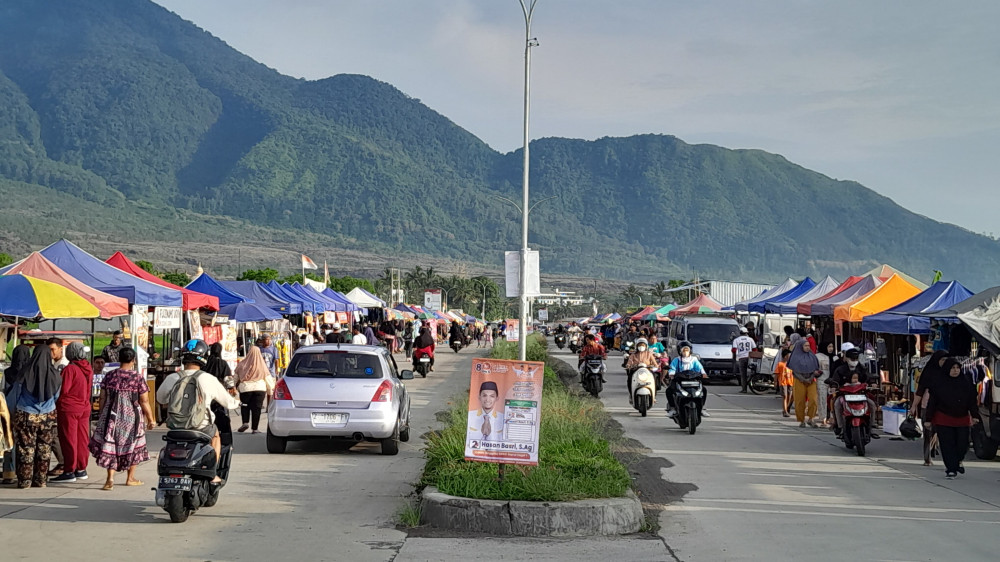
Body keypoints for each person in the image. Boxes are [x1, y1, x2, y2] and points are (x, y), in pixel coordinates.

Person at [155, 340, 239, 483]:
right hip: (201, 427)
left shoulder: (173, 377)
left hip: (176, 427)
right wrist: (236, 397)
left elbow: (160, 398)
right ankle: (213, 473)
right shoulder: (208, 379)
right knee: (216, 435)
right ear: (203, 357)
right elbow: (229, 403)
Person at [88, 347, 154, 490]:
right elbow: (144, 401)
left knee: (111, 445)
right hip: (131, 416)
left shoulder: (110, 375)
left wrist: (102, 415)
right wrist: (151, 418)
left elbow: (102, 397)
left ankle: (109, 479)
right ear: (133, 360)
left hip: (111, 415)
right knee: (134, 444)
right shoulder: (137, 377)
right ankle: (130, 478)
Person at [8, 345, 61, 488]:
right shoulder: (55, 375)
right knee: (44, 448)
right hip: (48, 416)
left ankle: (25, 481)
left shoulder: (24, 373)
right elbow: (56, 396)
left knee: (25, 448)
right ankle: (41, 480)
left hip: (25, 414)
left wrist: (12, 413)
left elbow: (16, 395)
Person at [924, 358, 979, 479]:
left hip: (962, 418)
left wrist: (975, 416)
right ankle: (951, 468)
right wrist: (928, 419)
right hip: (944, 418)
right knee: (947, 444)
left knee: (962, 444)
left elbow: (971, 402)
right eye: (952, 368)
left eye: (957, 368)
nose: (955, 371)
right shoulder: (939, 384)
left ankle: (958, 461)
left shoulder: (966, 382)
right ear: (947, 369)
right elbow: (932, 403)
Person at [51, 343, 93, 482]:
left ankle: (69, 470)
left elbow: (63, 390)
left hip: (69, 407)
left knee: (69, 439)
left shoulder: (70, 369)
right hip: (84, 406)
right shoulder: (88, 368)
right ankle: (81, 468)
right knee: (82, 440)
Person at [910, 349, 951, 465]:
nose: (944, 362)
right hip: (927, 406)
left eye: (946, 360)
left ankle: (950, 459)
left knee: (943, 432)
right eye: (942, 360)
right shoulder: (928, 372)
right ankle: (927, 458)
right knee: (927, 433)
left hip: (944, 407)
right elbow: (920, 391)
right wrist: (913, 406)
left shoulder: (949, 372)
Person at [828, 347, 879, 438]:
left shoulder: (862, 368)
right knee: (836, 404)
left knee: (872, 404)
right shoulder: (840, 369)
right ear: (846, 358)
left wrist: (873, 383)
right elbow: (834, 380)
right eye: (852, 359)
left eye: (856, 359)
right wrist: (834, 387)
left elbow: (868, 377)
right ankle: (840, 427)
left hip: (860, 395)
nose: (854, 361)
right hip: (844, 395)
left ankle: (871, 426)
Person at [2, 344, 31, 485]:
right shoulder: (31, 372)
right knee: (25, 441)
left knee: (9, 439)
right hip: (26, 408)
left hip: (9, 409)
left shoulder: (8, 372)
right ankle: (25, 471)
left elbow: (3, 390)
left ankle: (8, 472)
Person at [234, 346, 275, 434]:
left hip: (245, 388)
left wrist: (233, 387)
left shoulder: (242, 364)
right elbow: (268, 379)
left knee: (245, 406)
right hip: (259, 388)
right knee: (257, 409)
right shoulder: (262, 365)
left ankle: (245, 422)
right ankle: (255, 429)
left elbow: (236, 378)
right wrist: (270, 390)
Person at [664, 344, 708, 417]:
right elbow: (672, 368)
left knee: (704, 390)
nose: (685, 352)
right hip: (679, 379)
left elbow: (700, 368)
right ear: (680, 351)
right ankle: (672, 409)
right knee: (669, 390)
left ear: (690, 351)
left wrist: (704, 374)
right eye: (684, 350)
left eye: (687, 350)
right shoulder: (676, 360)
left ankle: (702, 408)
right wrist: (671, 374)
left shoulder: (694, 359)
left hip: (693, 380)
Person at [787, 337, 822, 428]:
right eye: (805, 346)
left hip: (811, 380)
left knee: (813, 399)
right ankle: (801, 420)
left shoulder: (812, 356)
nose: (807, 347)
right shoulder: (795, 357)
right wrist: (803, 379)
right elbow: (795, 371)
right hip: (799, 380)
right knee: (800, 401)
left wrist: (811, 377)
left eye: (808, 346)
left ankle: (811, 418)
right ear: (800, 346)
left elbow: (815, 368)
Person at [625, 338, 658, 404]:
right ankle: (631, 396)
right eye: (639, 345)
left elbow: (655, 363)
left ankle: (654, 396)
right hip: (636, 370)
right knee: (629, 379)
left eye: (643, 345)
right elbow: (629, 362)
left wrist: (654, 366)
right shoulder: (633, 354)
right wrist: (628, 366)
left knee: (654, 379)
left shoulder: (649, 354)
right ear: (637, 346)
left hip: (647, 370)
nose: (641, 347)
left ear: (646, 346)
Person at [732, 327, 757, 394]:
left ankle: (744, 389)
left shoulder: (736, 340)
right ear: (746, 333)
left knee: (743, 374)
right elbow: (754, 349)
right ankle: (752, 383)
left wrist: (735, 357)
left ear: (740, 333)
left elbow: (734, 350)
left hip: (741, 358)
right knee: (752, 372)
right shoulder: (750, 339)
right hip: (750, 358)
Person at [775, 349, 793, 417]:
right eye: (789, 355)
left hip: (791, 382)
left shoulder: (791, 364)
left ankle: (787, 408)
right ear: (785, 356)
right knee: (785, 396)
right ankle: (785, 411)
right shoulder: (780, 364)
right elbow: (776, 374)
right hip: (783, 382)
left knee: (790, 396)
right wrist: (775, 382)